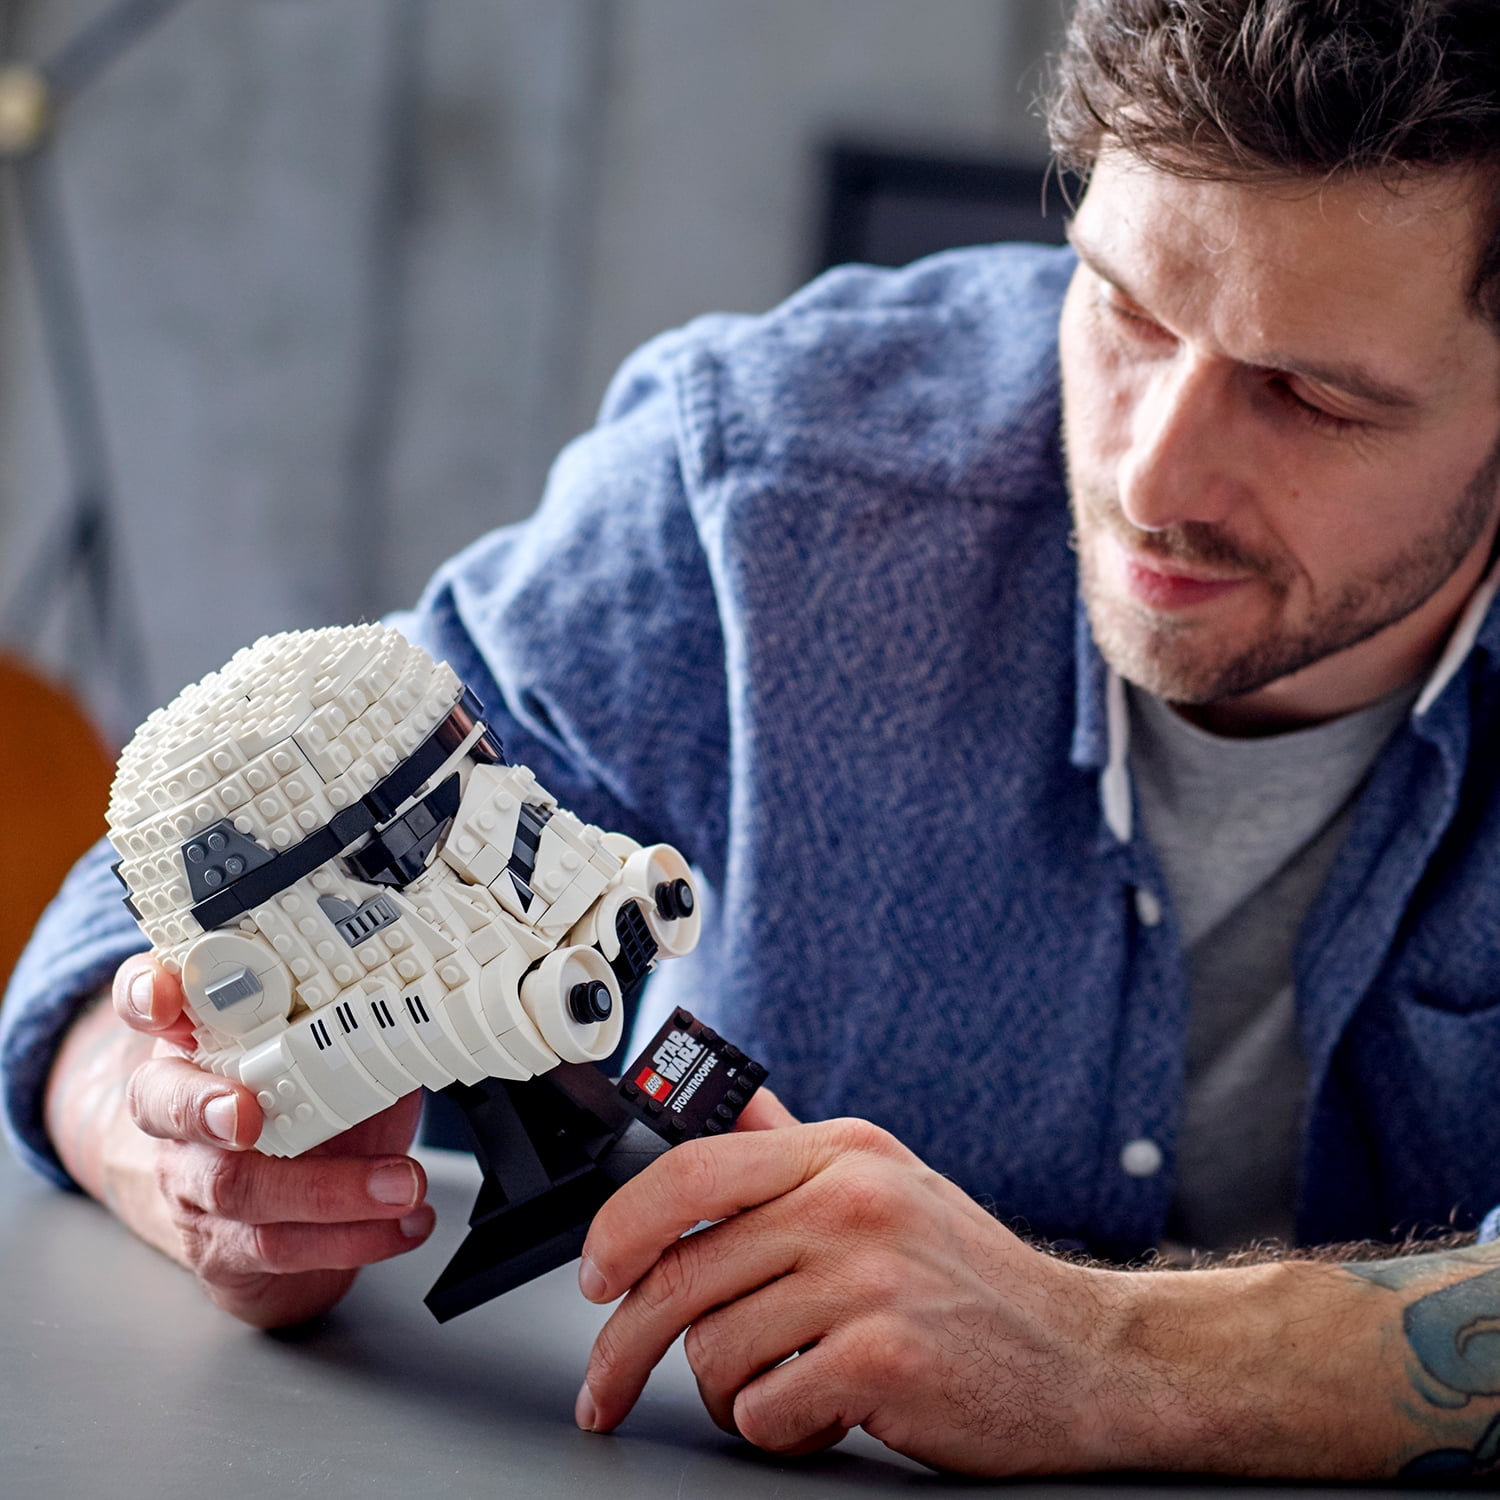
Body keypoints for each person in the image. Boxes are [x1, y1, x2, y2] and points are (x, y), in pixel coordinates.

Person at [7, 0, 1500, 1478]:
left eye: (1311, 398)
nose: (1151, 478)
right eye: (1123, 308)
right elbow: (119, 943)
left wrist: (1105, 1356)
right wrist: (192, 1154)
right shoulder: (780, 481)